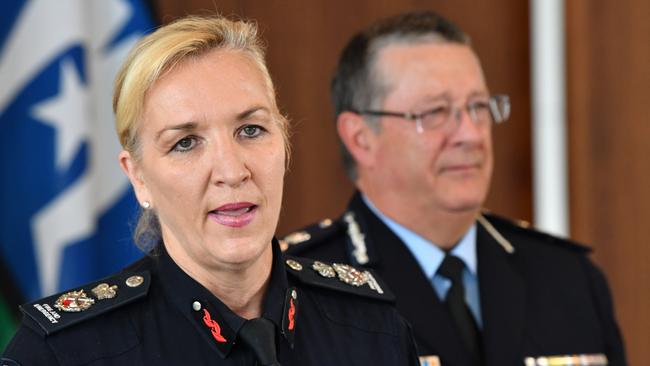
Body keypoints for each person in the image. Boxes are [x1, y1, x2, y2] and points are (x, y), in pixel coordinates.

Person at [1, 15, 420, 366]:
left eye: (251, 130)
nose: (232, 170)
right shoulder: (62, 354)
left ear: (285, 143)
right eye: (185, 142)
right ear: (139, 177)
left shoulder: (372, 328)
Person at [283, 11, 627, 366]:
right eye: (435, 112)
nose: (471, 134)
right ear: (361, 138)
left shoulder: (567, 278)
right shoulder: (298, 292)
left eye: (478, 107)